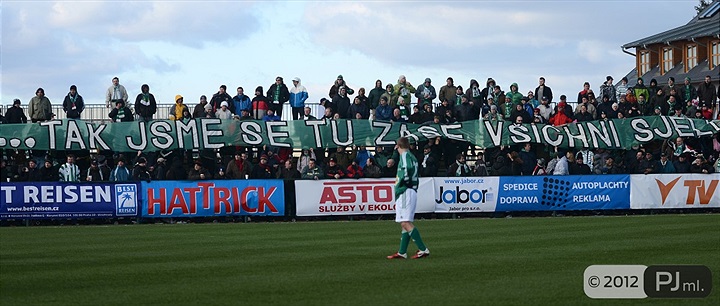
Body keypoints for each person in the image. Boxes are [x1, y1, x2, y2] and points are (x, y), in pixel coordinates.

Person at [387, 137, 429, 260]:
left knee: (405, 222)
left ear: (398, 146)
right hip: (408, 190)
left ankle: (423, 249)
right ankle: (402, 252)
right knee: (403, 222)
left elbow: (407, 169)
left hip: (406, 190)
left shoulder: (405, 156)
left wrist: (403, 183)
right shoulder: (411, 156)